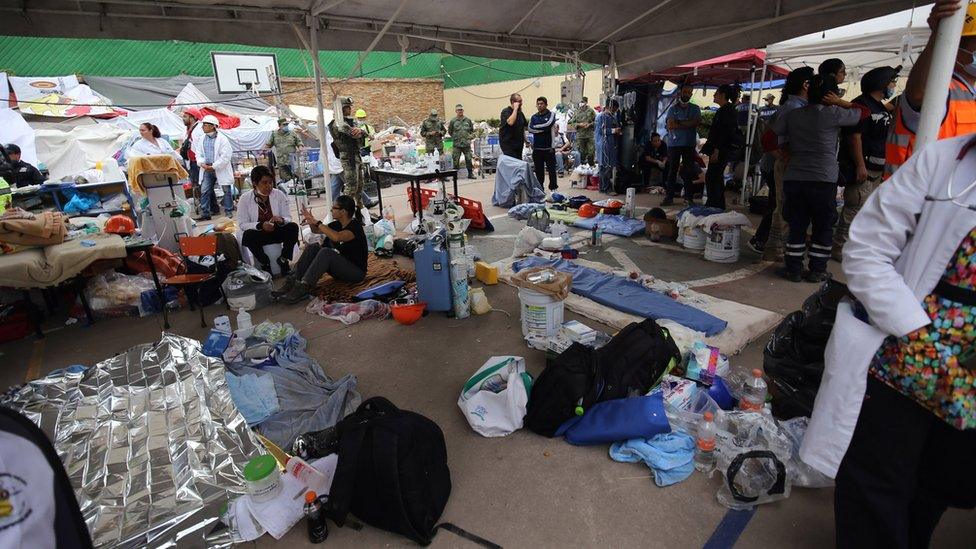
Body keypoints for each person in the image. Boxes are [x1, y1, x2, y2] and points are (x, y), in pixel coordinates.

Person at [799, 134, 976, 548]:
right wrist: (915, 332)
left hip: (967, 374)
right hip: (906, 349)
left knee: (944, 481)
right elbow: (865, 249)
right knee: (876, 477)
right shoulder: (942, 161)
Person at [778, 74, 867, 283]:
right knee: (823, 225)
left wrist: (786, 151)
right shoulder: (834, 114)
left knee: (797, 223)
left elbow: (774, 134)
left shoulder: (793, 115)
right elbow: (864, 112)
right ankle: (817, 270)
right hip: (823, 179)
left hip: (795, 176)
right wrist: (839, 103)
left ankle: (793, 269)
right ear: (830, 94)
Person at [885, 0, 976, 180]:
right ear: (956, 44)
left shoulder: (969, 94)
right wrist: (938, 36)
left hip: (950, 201)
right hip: (914, 202)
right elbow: (919, 93)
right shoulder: (939, 87)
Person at [832, 66, 899, 260]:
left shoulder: (879, 106)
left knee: (865, 211)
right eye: (892, 82)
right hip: (863, 168)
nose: (894, 85)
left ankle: (852, 248)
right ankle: (840, 248)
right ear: (882, 84)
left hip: (877, 169)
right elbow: (855, 137)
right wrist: (860, 165)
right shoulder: (861, 105)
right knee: (854, 208)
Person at [752, 66, 816, 260]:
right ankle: (771, 246)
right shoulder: (793, 108)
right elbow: (769, 138)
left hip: (782, 164)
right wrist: (782, 156)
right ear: (806, 85)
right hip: (779, 165)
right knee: (782, 208)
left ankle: (771, 246)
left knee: (779, 207)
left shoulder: (798, 106)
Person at [275, 195, 369, 304]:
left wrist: (318, 222)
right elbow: (316, 231)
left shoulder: (355, 226)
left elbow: (337, 237)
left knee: (326, 252)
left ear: (343, 211)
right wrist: (311, 221)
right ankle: (292, 282)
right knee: (313, 247)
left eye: (334, 208)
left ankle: (304, 287)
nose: (331, 210)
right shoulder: (337, 224)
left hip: (356, 273)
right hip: (342, 268)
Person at [237, 165, 298, 275]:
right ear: (255, 184)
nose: (269, 186)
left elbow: (288, 217)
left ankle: (284, 259)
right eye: (264, 183)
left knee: (293, 227)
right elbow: (242, 224)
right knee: (248, 235)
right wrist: (260, 225)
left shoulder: (279, 194)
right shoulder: (245, 199)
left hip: (276, 232)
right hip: (259, 235)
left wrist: (281, 219)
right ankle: (264, 263)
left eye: (270, 182)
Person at [701, 84, 741, 210]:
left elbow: (725, 133)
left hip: (721, 150)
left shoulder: (728, 111)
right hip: (717, 148)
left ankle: (715, 204)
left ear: (723, 95)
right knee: (713, 176)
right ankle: (715, 203)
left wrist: (717, 150)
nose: (714, 95)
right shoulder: (723, 110)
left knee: (714, 177)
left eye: (716, 93)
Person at [663, 84, 702, 206]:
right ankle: (669, 198)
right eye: (685, 91)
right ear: (680, 92)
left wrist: (678, 122)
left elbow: (695, 123)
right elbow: (670, 125)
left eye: (689, 92)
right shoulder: (672, 109)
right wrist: (687, 123)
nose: (687, 94)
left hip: (689, 144)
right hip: (673, 144)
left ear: (691, 94)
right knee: (672, 171)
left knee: (688, 171)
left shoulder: (695, 108)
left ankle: (688, 198)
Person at [190, 115, 234, 220]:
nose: (203, 127)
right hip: (206, 168)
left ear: (213, 126)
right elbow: (198, 154)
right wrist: (202, 163)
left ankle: (228, 211)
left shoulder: (222, 139)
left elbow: (226, 156)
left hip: (219, 168)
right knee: (204, 190)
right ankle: (205, 213)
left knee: (226, 190)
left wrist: (214, 166)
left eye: (205, 125)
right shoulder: (201, 139)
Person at [328, 97, 368, 208]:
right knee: (351, 187)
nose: (349, 109)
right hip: (348, 158)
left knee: (360, 186)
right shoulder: (337, 123)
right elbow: (353, 133)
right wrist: (361, 131)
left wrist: (361, 130)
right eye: (347, 107)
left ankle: (360, 209)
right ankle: (343, 210)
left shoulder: (350, 121)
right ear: (340, 109)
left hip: (356, 156)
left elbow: (364, 133)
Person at [326, 128, 374, 208]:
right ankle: (343, 207)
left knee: (337, 185)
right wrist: (364, 133)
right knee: (353, 186)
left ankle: (334, 206)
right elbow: (356, 139)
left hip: (338, 163)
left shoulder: (330, 130)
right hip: (343, 163)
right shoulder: (339, 127)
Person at [528, 96, 559, 191]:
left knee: (552, 171)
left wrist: (536, 128)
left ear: (546, 105)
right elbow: (530, 128)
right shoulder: (533, 117)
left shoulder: (551, 115)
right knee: (539, 171)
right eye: (538, 104)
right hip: (537, 149)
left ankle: (553, 189)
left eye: (542, 104)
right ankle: (540, 189)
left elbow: (548, 124)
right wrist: (542, 130)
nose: (540, 105)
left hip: (549, 148)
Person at [594, 99, 621, 194]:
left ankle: (602, 188)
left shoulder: (611, 116)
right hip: (604, 144)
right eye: (614, 109)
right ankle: (607, 188)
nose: (614, 111)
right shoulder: (602, 117)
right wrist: (614, 131)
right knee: (606, 167)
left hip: (609, 143)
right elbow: (601, 131)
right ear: (610, 107)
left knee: (603, 167)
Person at [267, 117, 303, 182]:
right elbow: (268, 145)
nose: (286, 126)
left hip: (292, 161)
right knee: (285, 180)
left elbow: (299, 142)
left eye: (287, 124)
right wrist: (265, 151)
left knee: (296, 179)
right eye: (284, 125)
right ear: (279, 126)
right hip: (281, 162)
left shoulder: (292, 133)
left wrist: (300, 148)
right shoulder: (274, 134)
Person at [447, 104, 476, 179]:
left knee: (469, 158)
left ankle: (470, 173)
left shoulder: (467, 120)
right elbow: (450, 131)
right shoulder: (453, 121)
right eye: (459, 110)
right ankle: (455, 175)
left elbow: (472, 131)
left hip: (466, 144)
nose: (460, 111)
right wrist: (456, 137)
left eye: (461, 110)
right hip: (457, 144)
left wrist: (470, 137)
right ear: (456, 111)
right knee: (456, 159)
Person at [179, 109, 202, 192]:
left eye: (185, 116)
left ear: (192, 118)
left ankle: (205, 204)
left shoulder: (199, 129)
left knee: (200, 186)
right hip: (191, 162)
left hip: (197, 162)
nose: (183, 118)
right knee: (196, 185)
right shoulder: (188, 130)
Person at [499, 93, 528, 159]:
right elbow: (511, 122)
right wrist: (515, 109)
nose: (521, 103)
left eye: (521, 101)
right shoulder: (506, 111)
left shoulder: (520, 113)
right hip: (508, 145)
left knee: (518, 164)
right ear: (513, 102)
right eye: (519, 101)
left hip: (519, 145)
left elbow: (523, 127)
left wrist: (526, 141)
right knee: (513, 164)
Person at [570, 96, 596, 165]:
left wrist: (590, 124)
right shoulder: (576, 112)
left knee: (591, 152)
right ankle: (582, 168)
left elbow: (596, 121)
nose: (581, 103)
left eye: (583, 102)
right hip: (580, 136)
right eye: (580, 102)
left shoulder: (591, 111)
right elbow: (571, 123)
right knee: (581, 153)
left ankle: (591, 166)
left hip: (589, 135)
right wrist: (579, 124)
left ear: (586, 102)